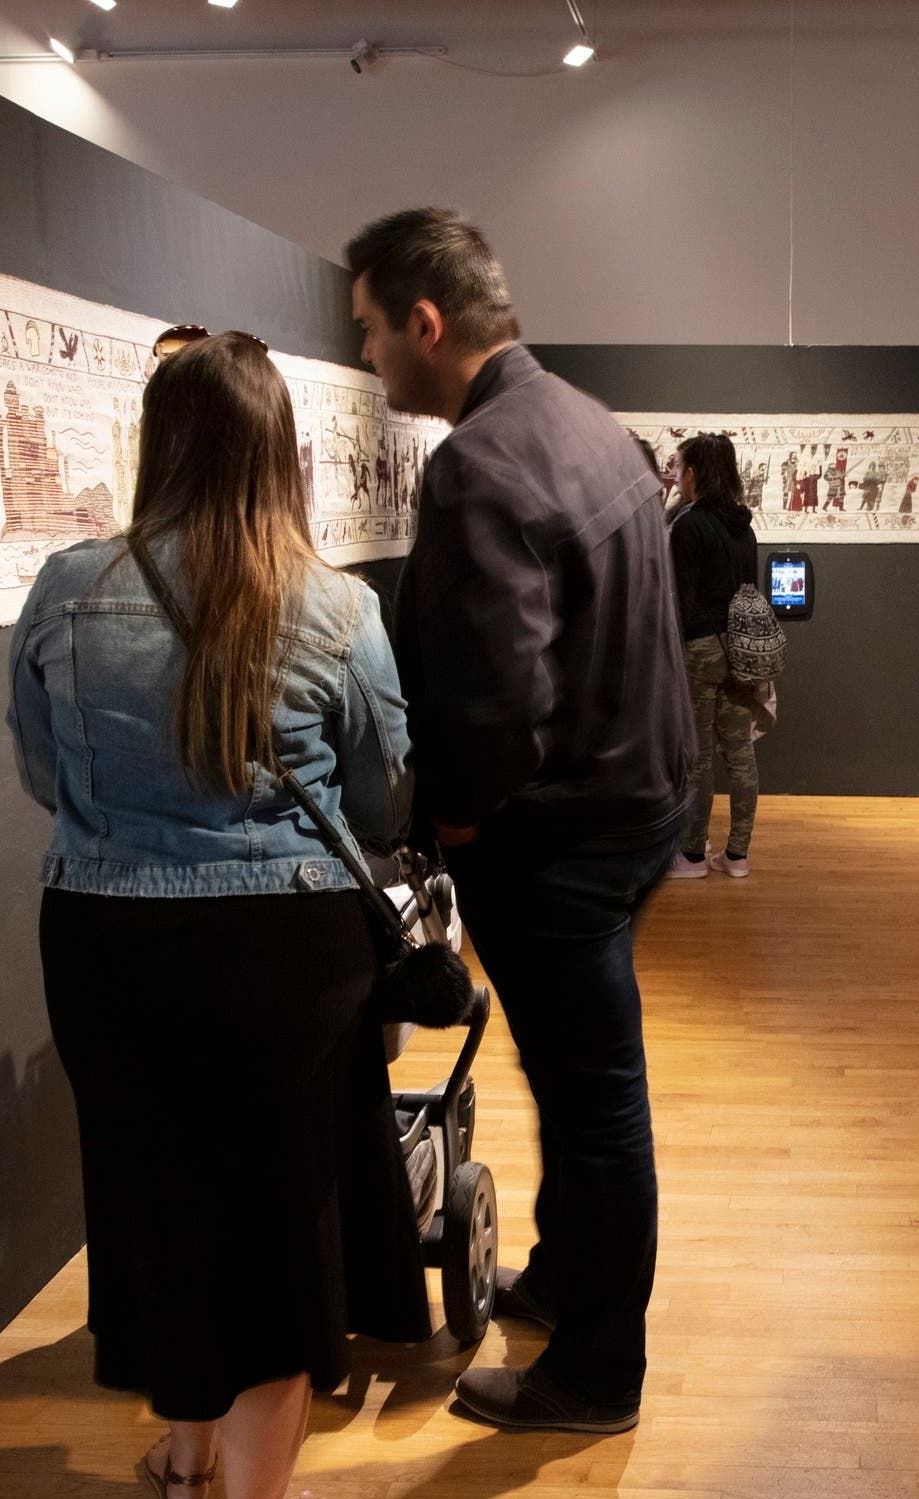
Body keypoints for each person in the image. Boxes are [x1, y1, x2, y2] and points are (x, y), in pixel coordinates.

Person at [7, 332, 428, 1499]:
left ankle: (187, 1463)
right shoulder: (336, 607)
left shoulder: (66, 589)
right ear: (277, 454)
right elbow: (382, 797)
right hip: (284, 955)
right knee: (276, 1225)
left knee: (158, 1203)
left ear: (161, 446)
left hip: (104, 940)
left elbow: (41, 770)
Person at [345, 207, 693, 1436]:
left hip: (562, 845)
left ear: (426, 322)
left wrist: (455, 820)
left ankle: (597, 1373)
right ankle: (560, 1280)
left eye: (372, 331)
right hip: (634, 811)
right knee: (574, 1085)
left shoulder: (480, 463)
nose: (370, 357)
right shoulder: (591, 425)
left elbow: (497, 701)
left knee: (596, 1107)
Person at [667, 433, 764, 879]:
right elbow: (750, 595)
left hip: (700, 649)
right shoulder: (745, 528)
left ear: (693, 473)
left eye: (679, 468)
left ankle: (692, 856)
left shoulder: (689, 526)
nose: (676, 476)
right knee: (740, 752)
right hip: (740, 651)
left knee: (699, 756)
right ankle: (737, 856)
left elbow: (680, 601)